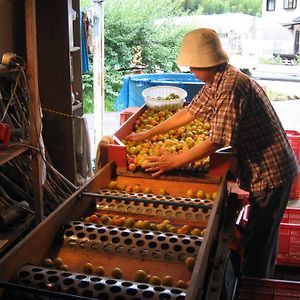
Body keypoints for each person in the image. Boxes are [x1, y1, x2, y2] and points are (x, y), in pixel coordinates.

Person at [126, 28, 299, 278]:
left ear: (206, 64)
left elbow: (216, 141)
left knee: (261, 242)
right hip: (263, 168)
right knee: (259, 235)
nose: (192, 72)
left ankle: (254, 286)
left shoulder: (231, 86)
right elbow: (189, 112)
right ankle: (253, 277)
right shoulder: (218, 79)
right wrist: (146, 134)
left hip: (271, 172)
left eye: (194, 67)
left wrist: (174, 161)